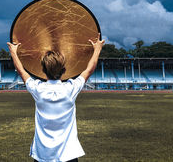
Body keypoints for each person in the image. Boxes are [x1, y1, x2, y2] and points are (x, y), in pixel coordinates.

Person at [7, 33, 105, 162]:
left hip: (43, 155)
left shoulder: (38, 89)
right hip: (68, 155)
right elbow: (89, 70)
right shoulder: (70, 88)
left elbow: (22, 71)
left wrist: (14, 52)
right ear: (64, 70)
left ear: (42, 70)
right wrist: (97, 49)